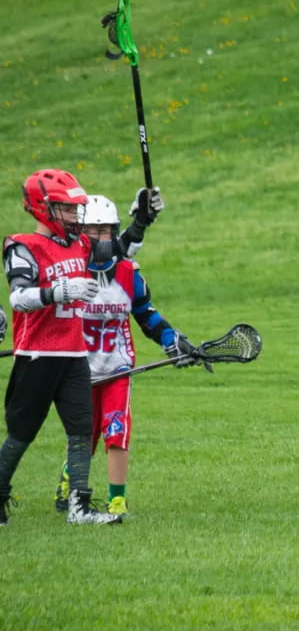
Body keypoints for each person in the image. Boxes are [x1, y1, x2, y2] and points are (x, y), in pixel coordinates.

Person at [0, 168, 162, 526]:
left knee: (80, 430)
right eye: (68, 210)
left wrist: (142, 220)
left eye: (76, 210)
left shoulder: (80, 245)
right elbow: (19, 296)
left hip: (74, 354)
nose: (76, 217)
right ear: (44, 209)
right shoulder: (22, 245)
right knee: (22, 432)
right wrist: (59, 292)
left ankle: (79, 506)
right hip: (38, 352)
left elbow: (118, 250)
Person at [52, 194, 199, 517]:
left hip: (117, 369)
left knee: (116, 433)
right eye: (93, 230)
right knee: (84, 437)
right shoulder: (71, 273)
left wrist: (172, 341)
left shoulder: (128, 273)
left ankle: (117, 498)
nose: (100, 237)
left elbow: (147, 315)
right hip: (79, 371)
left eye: (106, 230)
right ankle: (68, 480)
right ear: (79, 231)